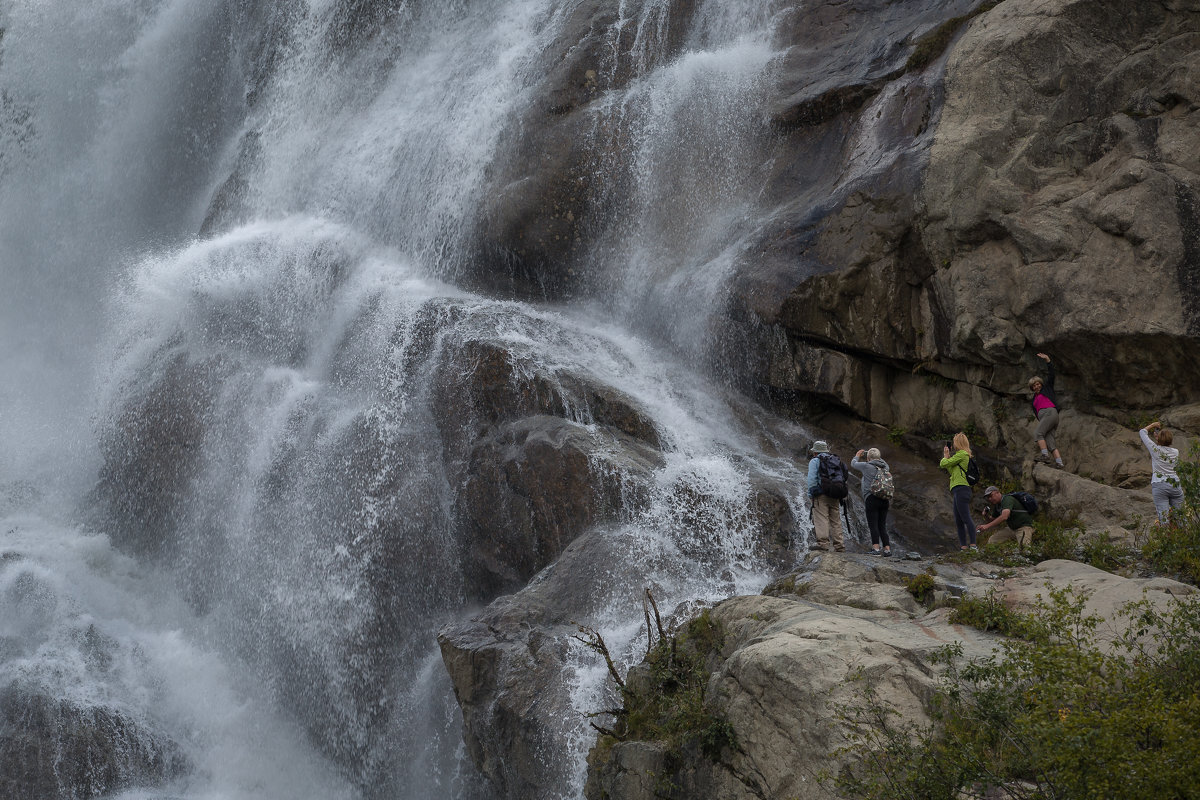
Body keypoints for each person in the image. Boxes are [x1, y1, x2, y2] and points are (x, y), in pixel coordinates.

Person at [850, 447, 892, 556]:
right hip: (884, 499)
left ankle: (876, 549)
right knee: (882, 525)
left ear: (868, 458)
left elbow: (853, 463)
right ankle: (887, 549)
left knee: (873, 524)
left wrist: (858, 455)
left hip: (872, 498)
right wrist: (875, 455)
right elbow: (879, 459)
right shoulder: (885, 467)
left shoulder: (866, 466)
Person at [939, 432, 977, 551]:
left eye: (955, 442)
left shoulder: (962, 454)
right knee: (959, 520)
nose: (954, 444)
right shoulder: (960, 456)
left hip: (962, 489)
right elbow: (951, 470)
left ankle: (973, 546)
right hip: (957, 489)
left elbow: (943, 463)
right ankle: (963, 547)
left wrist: (946, 456)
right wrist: (948, 457)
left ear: (958, 443)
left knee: (965, 518)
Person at [1139, 421, 1183, 523]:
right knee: (1181, 516)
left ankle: (1167, 537)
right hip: (1175, 483)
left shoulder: (1155, 450)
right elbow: (1164, 446)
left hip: (1159, 484)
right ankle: (1186, 535)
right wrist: (1159, 439)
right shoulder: (1176, 452)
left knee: (1164, 517)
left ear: (1159, 439)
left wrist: (1153, 425)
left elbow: (1142, 432)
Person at [806, 440, 845, 552]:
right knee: (835, 520)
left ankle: (823, 544)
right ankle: (840, 545)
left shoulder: (815, 461)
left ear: (815, 452)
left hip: (821, 494)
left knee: (822, 518)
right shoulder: (835, 460)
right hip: (835, 493)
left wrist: (811, 494)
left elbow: (812, 479)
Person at [1029, 352, 1064, 468]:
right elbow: (1036, 412)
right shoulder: (1034, 399)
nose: (1037, 386)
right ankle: (1059, 462)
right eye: (1034, 386)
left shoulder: (1047, 388)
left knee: (1038, 433)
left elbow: (1052, 375)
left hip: (1050, 413)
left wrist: (1048, 360)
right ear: (1032, 388)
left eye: (1038, 384)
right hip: (1046, 417)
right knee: (1050, 442)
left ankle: (1045, 456)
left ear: (1041, 384)